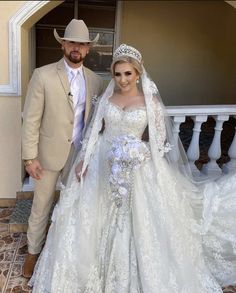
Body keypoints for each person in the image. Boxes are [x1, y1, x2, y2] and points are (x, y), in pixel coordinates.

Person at [29, 44, 236, 292]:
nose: (123, 79)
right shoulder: (107, 98)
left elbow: (160, 144)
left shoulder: (151, 102)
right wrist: (84, 158)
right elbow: (95, 130)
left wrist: (142, 152)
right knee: (87, 216)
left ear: (138, 73)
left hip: (138, 166)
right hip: (102, 161)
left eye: (128, 73)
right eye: (118, 74)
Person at [21, 19, 104, 278]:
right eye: (71, 42)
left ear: (88, 49)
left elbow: (95, 120)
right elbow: (30, 119)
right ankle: (33, 253)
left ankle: (64, 252)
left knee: (74, 205)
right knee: (41, 205)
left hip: (79, 155)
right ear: (63, 45)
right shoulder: (42, 75)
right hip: (47, 155)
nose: (76, 47)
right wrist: (29, 157)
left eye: (81, 43)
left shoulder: (95, 81)